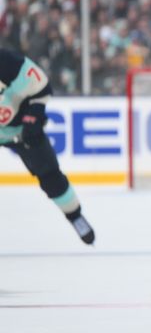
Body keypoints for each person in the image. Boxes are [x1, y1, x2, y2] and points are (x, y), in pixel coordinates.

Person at [0, 48, 95, 245]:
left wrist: (33, 116)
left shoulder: (6, 62)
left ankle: (74, 215)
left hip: (18, 129)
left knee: (50, 175)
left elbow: (40, 86)